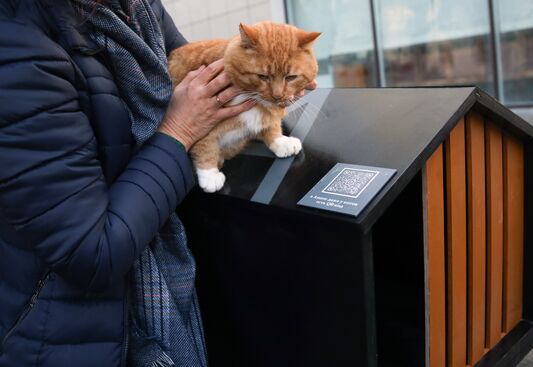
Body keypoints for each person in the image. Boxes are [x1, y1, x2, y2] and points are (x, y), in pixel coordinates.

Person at [0, 0, 316, 366]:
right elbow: (91, 251)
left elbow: (197, 76)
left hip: (166, 250)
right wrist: (179, 132)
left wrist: (272, 84)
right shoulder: (17, 49)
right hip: (69, 333)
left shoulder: (137, 5)